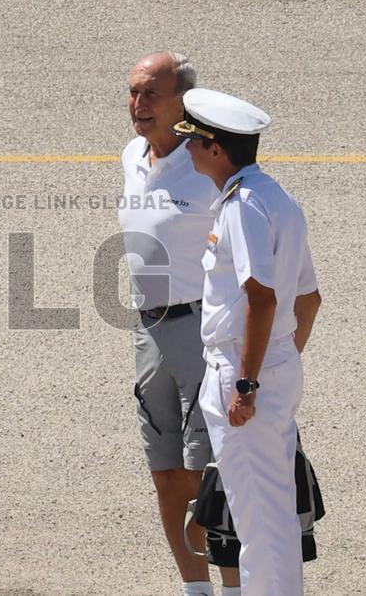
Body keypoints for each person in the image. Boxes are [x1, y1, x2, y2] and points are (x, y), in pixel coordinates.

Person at [173, 88, 322, 595]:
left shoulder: (242, 206)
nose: (186, 149)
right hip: (268, 365)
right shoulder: (277, 198)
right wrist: (278, 363)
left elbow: (261, 298)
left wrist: (249, 381)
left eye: (192, 141)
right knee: (268, 510)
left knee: (258, 521)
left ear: (216, 148)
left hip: (243, 372)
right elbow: (309, 301)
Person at [119, 53, 240, 596]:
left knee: (211, 477)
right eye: (133, 93)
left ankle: (237, 587)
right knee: (166, 472)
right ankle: (196, 590)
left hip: (202, 332)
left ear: (183, 103)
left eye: (151, 94)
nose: (138, 105)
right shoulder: (131, 156)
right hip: (149, 330)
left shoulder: (209, 162)